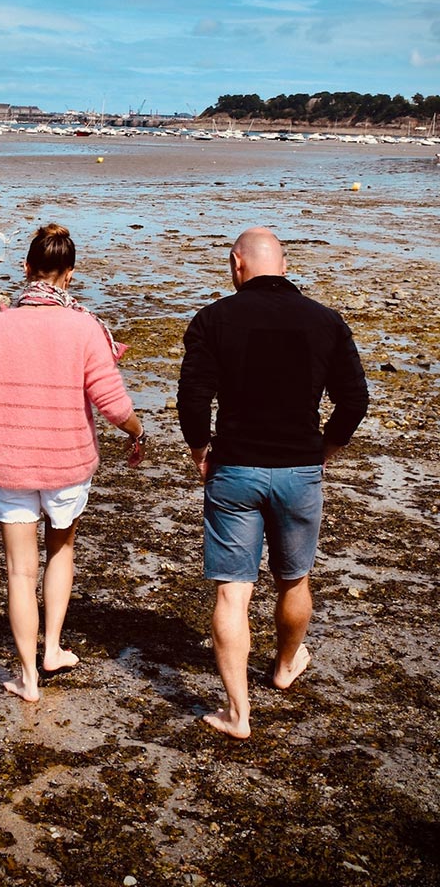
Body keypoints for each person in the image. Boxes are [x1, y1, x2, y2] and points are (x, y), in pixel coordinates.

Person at [177, 226, 368, 739]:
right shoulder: (325, 322)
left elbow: (193, 398)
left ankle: (237, 713)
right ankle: (285, 664)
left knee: (232, 594)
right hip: (299, 471)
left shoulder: (213, 319)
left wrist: (200, 448)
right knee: (294, 578)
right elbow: (354, 402)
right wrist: (324, 449)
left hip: (234, 468)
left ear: (237, 263)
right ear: (282, 264)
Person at [0, 223, 145, 702]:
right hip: (66, 462)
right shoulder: (85, 327)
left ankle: (26, 676)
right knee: (60, 552)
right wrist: (137, 432)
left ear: (26, 269)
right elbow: (113, 403)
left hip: (6, 462)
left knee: (19, 571)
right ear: (70, 274)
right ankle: (54, 648)